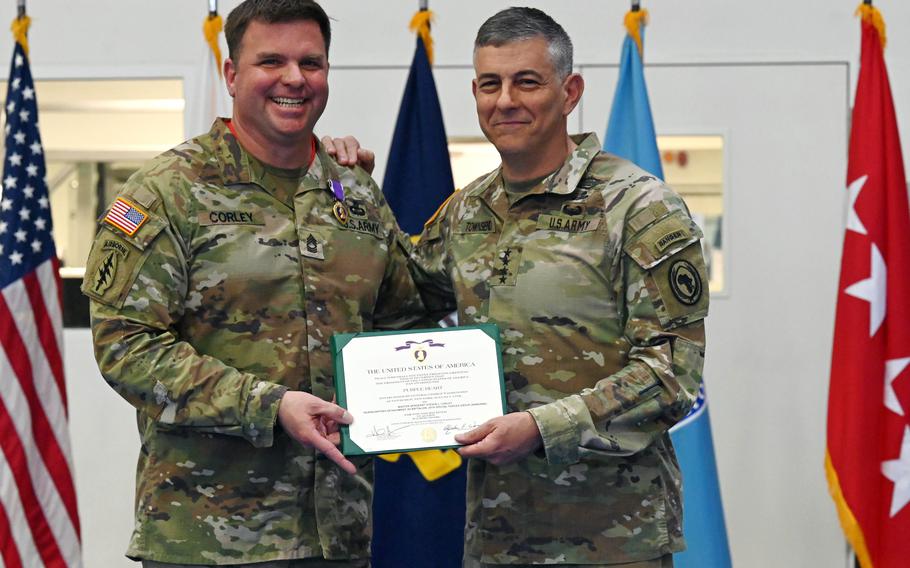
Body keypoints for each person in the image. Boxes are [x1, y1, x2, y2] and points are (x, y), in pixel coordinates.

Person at [81, 1, 425, 566]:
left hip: (338, 532)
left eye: (311, 63)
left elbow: (404, 318)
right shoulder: (167, 192)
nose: (294, 79)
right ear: (232, 74)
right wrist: (269, 404)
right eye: (272, 61)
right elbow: (126, 346)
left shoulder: (356, 194)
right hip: (206, 535)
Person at [409, 7, 709, 567]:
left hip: (613, 537)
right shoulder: (467, 210)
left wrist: (542, 428)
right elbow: (395, 297)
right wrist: (339, 182)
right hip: (496, 534)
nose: (506, 101)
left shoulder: (638, 207)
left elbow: (672, 373)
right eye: (490, 84)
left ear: (570, 92)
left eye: (527, 81)